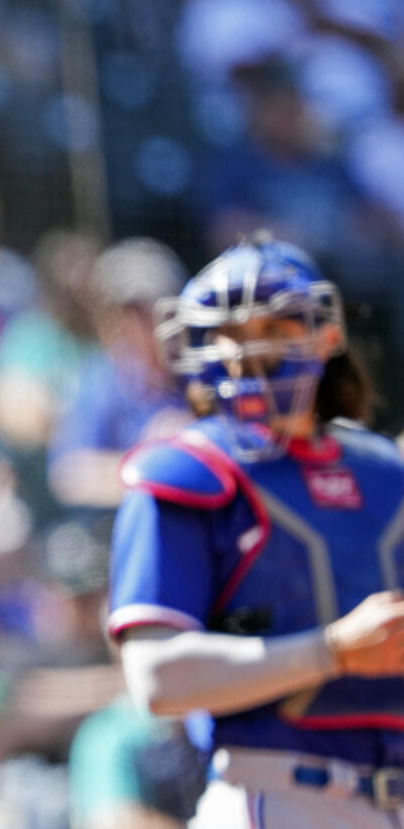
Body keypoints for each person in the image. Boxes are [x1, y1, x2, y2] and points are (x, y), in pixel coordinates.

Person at [108, 233, 404, 828]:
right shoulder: (187, 469)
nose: (250, 353)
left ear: (325, 335)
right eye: (231, 333)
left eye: (274, 327)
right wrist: (333, 651)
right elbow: (157, 678)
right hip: (275, 793)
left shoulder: (384, 469)